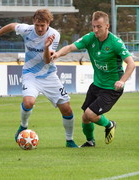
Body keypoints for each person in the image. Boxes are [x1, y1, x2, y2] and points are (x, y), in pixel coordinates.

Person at [0, 9, 78, 148]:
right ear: (33, 22)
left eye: (43, 25)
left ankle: (69, 140)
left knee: (67, 109)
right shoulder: (27, 30)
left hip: (49, 75)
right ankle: (23, 127)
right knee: (28, 102)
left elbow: (47, 61)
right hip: (30, 74)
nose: (40, 28)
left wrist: (47, 47)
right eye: (37, 25)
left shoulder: (54, 35)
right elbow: (12, 25)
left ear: (48, 23)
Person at [51, 11, 136, 147]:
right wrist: (57, 54)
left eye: (99, 27)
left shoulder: (116, 43)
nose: (95, 30)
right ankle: (90, 141)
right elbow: (70, 47)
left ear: (107, 26)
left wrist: (122, 81)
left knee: (90, 114)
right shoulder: (90, 38)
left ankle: (110, 124)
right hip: (96, 85)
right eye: (93, 26)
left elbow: (131, 64)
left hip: (111, 88)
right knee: (85, 117)